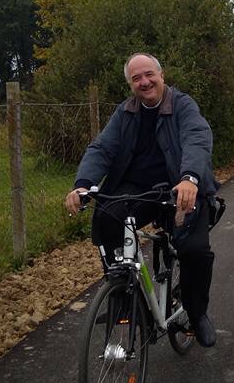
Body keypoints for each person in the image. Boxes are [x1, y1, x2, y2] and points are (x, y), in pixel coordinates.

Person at [65, 53, 217, 347]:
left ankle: (197, 313)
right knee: (108, 216)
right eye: (136, 78)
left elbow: (197, 138)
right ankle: (123, 296)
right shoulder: (125, 112)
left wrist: (190, 178)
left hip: (180, 187)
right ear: (130, 84)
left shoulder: (182, 105)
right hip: (138, 189)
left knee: (195, 250)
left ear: (162, 75)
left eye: (149, 75)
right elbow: (101, 149)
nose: (144, 82)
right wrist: (83, 186)